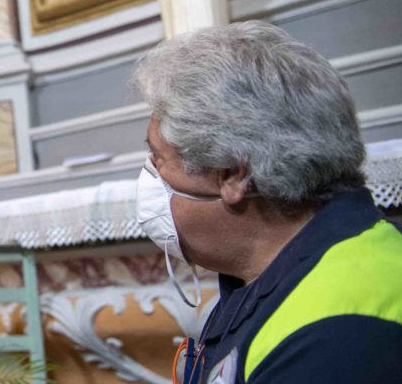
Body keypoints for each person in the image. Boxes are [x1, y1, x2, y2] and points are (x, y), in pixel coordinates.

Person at [132, 22, 402, 383]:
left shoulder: (338, 334)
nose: (150, 173)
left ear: (232, 174)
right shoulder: (271, 271)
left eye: (159, 157)